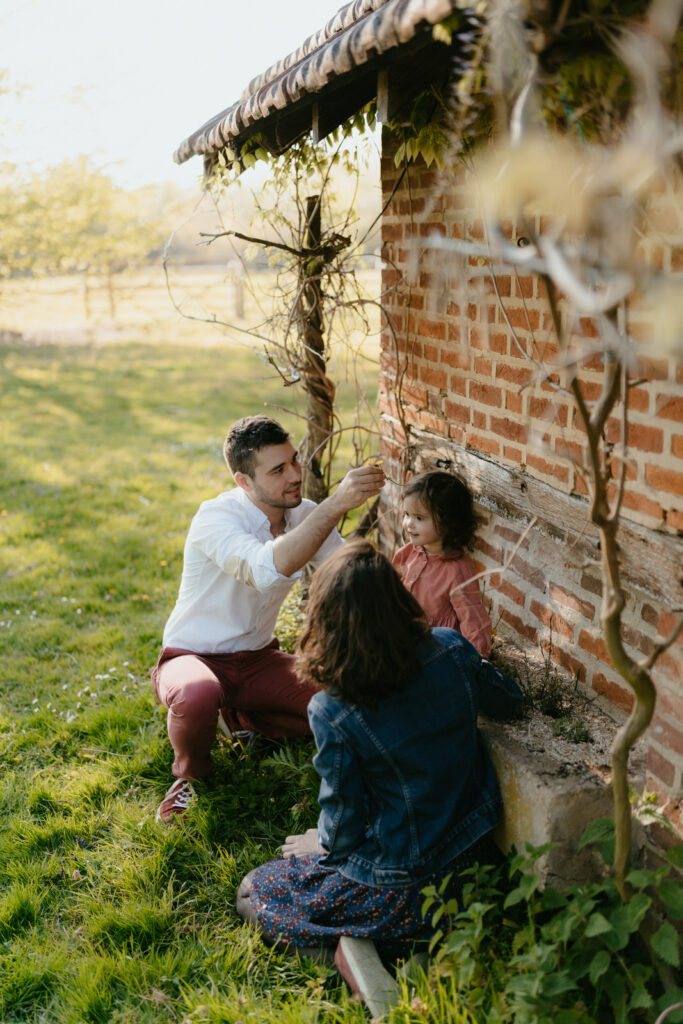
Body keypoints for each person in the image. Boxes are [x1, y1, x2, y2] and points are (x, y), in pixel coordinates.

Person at [235, 540, 522, 959]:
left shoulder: (332, 708)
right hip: (477, 861)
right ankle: (418, 935)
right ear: (398, 598)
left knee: (256, 891)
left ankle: (368, 950)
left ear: (327, 620)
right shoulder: (452, 648)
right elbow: (508, 700)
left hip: (405, 879)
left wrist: (324, 844)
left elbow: (345, 815)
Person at [152, 416, 385, 824]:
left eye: (294, 462)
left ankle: (243, 718)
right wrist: (336, 505)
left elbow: (348, 575)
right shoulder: (215, 518)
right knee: (197, 695)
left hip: (258, 660)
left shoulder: (303, 514)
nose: (294, 476)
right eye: (278, 470)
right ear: (243, 481)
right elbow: (265, 569)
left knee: (338, 708)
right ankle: (190, 775)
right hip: (193, 658)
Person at [393, 470, 492, 657]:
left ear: (447, 522)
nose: (409, 524)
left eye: (419, 518)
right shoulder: (408, 553)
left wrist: (477, 661)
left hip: (435, 650)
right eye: (407, 514)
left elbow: (473, 620)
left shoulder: (458, 570)